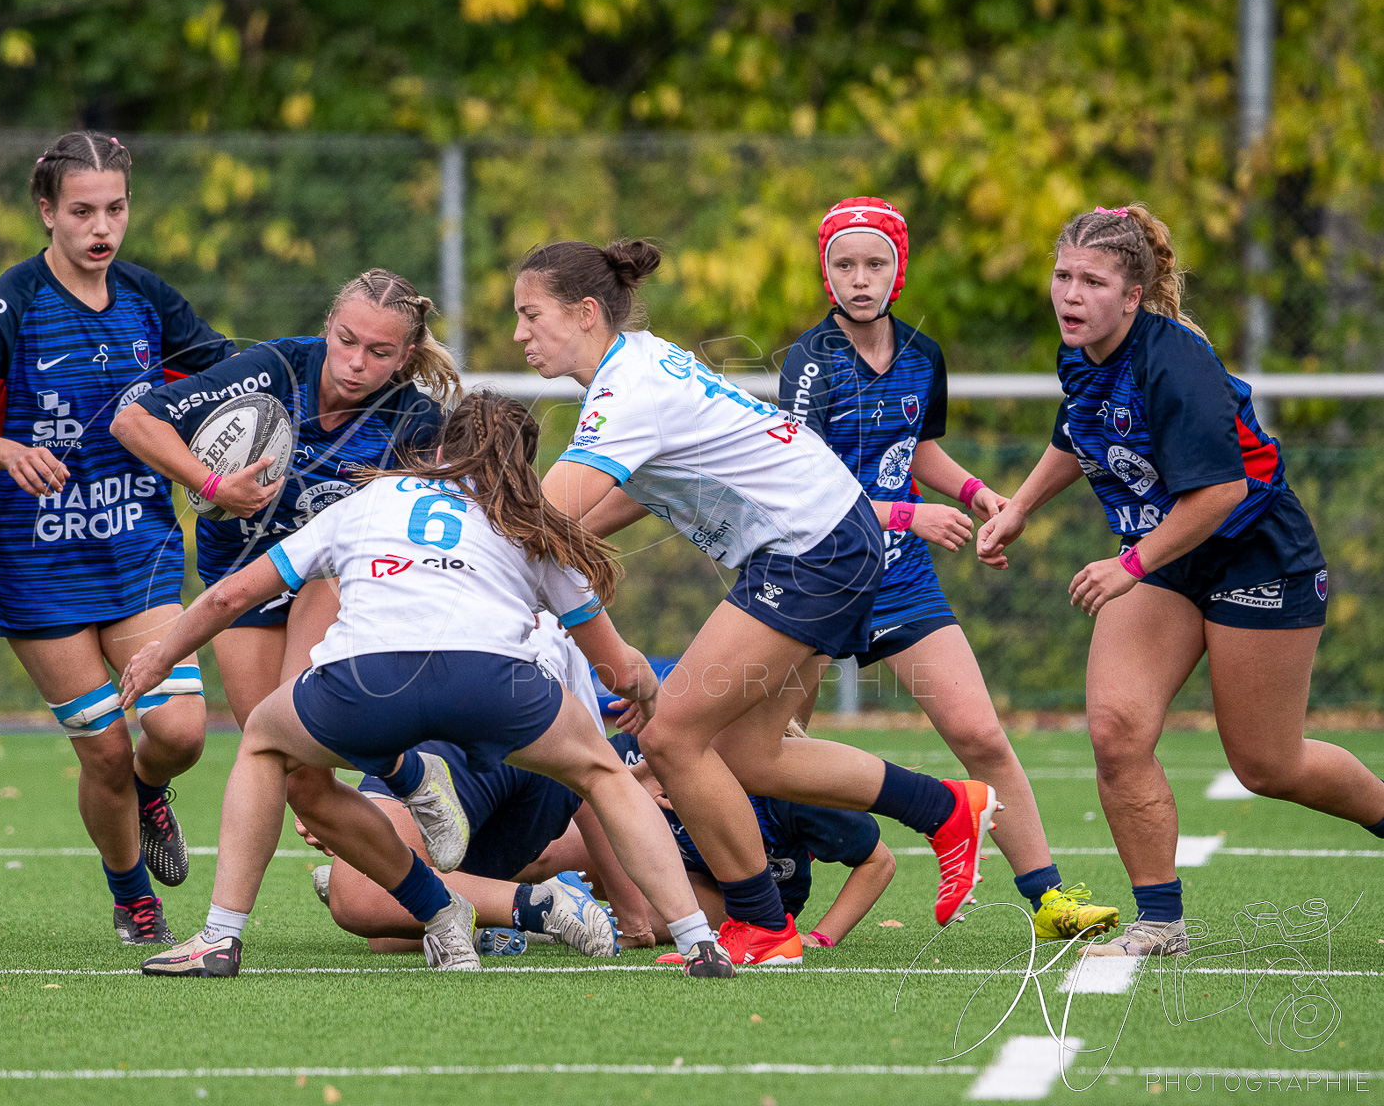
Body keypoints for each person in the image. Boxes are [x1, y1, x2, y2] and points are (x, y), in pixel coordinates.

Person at [120, 392, 738, 978]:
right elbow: (616, 670)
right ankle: (697, 942)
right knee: (602, 773)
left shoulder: (367, 500)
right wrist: (644, 690)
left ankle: (222, 937)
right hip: (494, 686)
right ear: (521, 468)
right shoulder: (526, 526)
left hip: (366, 684)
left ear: (440, 452)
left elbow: (231, 594)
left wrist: (159, 654)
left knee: (266, 746)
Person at [516, 237, 1001, 968]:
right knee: (748, 753)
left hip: (813, 546)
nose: (520, 334)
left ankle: (760, 926)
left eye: (530, 315)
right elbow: (605, 503)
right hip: (825, 538)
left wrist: (457, 535)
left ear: (585, 313)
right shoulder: (635, 363)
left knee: (673, 738)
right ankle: (945, 811)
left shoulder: (625, 392)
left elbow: (540, 516)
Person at [977, 204, 1384, 957]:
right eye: (1063, 275)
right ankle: (1160, 922)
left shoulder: (1174, 361)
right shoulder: (1084, 351)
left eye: (1092, 281)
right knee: (1117, 730)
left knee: (1269, 764)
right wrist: (1020, 506)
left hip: (1255, 556)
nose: (1070, 294)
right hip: (1165, 560)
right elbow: (1079, 430)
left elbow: (1221, 494)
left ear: (1132, 296)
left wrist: (1127, 564)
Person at [777, 198, 1120, 940]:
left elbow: (916, 449)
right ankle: (765, 904)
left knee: (982, 737)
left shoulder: (924, 355)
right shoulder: (811, 361)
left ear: (898, 270)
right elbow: (804, 488)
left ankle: (1050, 901)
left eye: (875, 264)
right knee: (774, 752)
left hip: (898, 579)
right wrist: (909, 516)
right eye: (845, 265)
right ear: (825, 272)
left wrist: (973, 492)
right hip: (815, 577)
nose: (860, 279)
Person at [0, 131, 232, 944]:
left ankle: (149, 789)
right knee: (101, 751)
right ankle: (132, 895)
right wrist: (7, 450)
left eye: (117, 208)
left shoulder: (145, 298)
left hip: (137, 549)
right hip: (40, 566)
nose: (103, 227)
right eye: (83, 210)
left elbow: (230, 372)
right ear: (46, 211)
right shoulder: (14, 301)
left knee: (178, 732)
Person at [109, 268, 455, 852]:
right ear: (327, 327)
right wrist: (212, 484)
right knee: (299, 777)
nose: (354, 363)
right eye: (346, 341)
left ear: (405, 357)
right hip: (242, 579)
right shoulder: (271, 370)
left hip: (333, 578)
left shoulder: (415, 421)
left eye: (378, 352)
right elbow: (131, 420)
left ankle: (412, 790)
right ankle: (439, 893)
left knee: (306, 726)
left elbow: (420, 530)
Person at [304, 614, 621, 958]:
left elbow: (377, 675)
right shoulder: (554, 580)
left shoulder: (425, 570)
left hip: (476, 712)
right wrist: (636, 921)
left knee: (362, 895)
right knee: (391, 937)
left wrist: (326, 796)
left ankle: (543, 904)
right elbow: (597, 759)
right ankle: (498, 918)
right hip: (555, 760)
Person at [608, 730, 896, 961]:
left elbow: (878, 861)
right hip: (680, 866)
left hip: (749, 902)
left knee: (641, 914)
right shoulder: (636, 752)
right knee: (584, 832)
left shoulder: (787, 790)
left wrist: (823, 937)